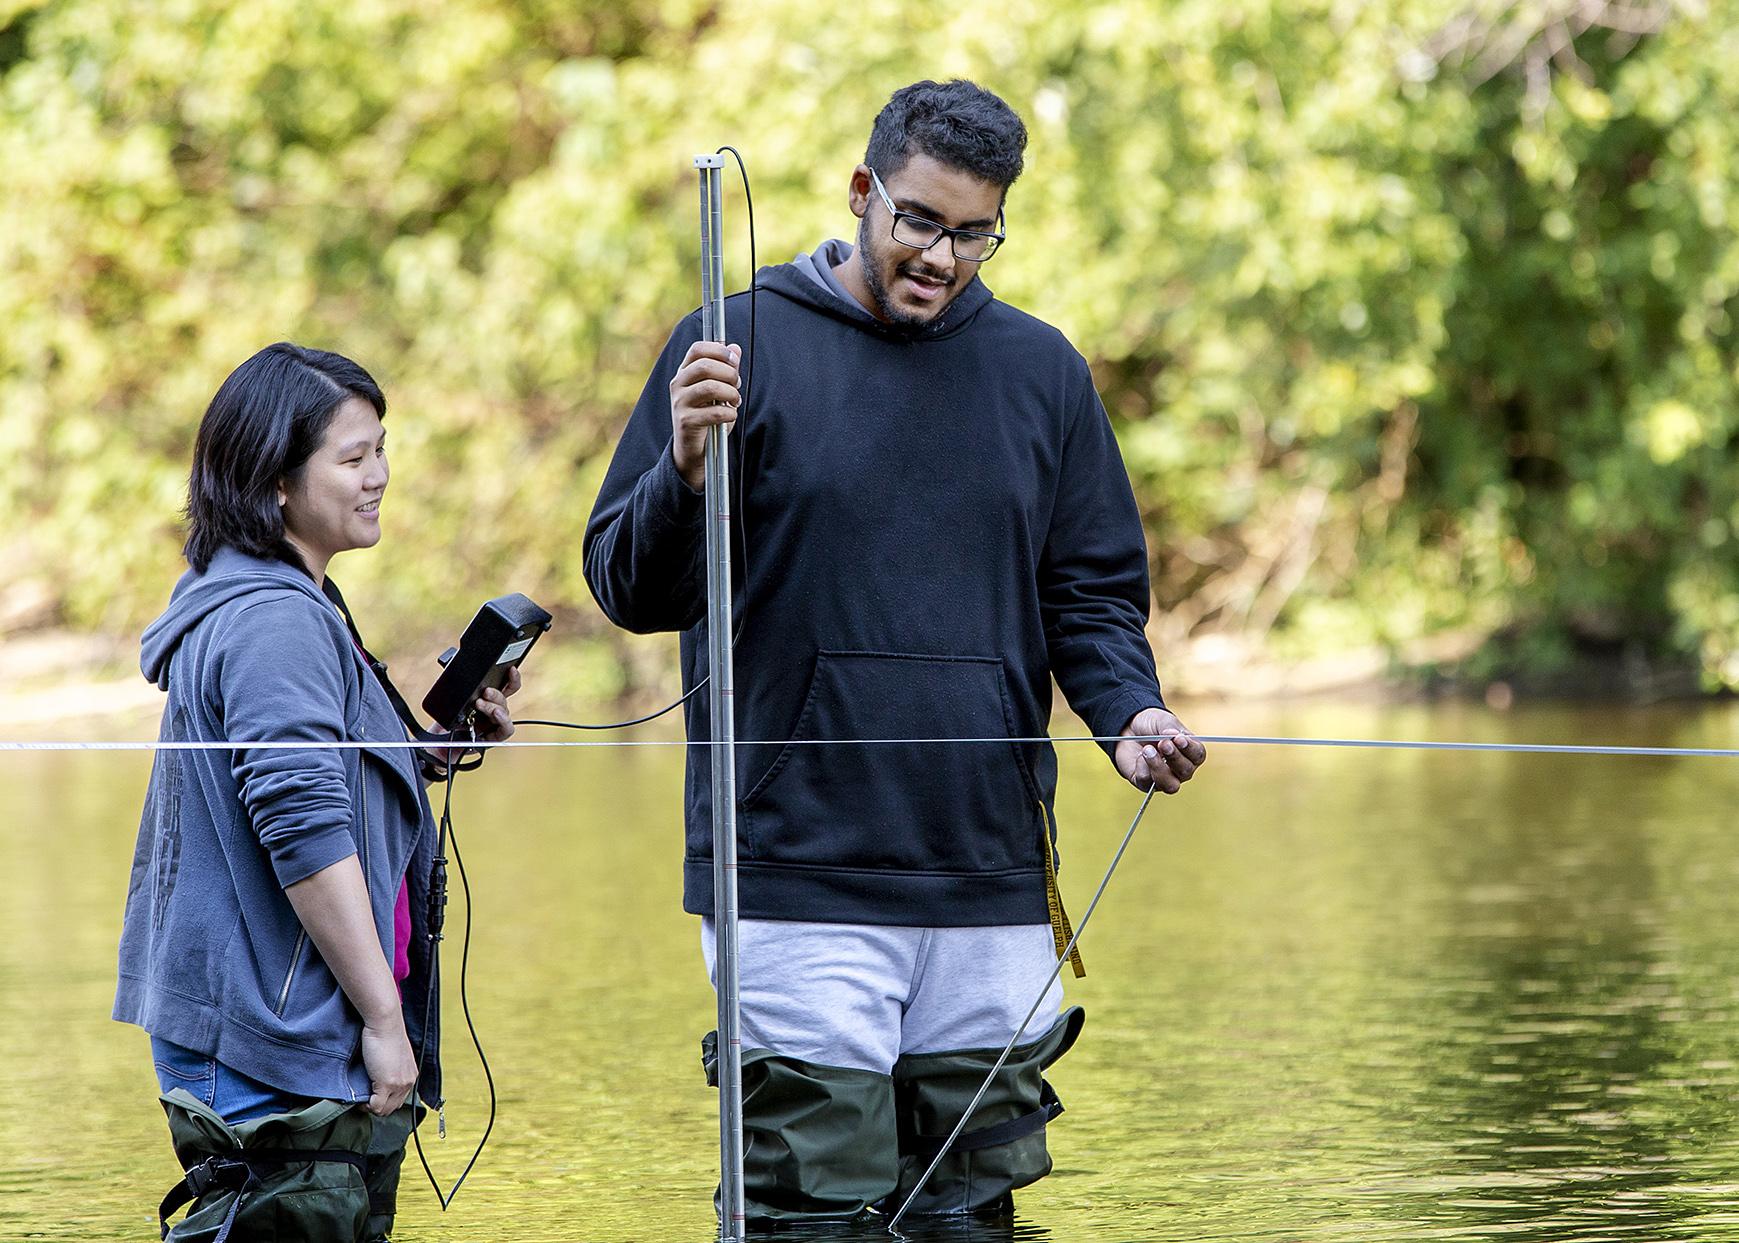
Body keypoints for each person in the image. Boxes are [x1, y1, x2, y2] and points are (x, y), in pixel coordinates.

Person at [584, 79, 1206, 1222]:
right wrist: (680, 466)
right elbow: (627, 587)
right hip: (792, 872)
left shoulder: (1042, 373)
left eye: (975, 232)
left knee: (967, 1211)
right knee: (811, 1207)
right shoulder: (731, 345)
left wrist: (1129, 717)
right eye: (919, 221)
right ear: (863, 191)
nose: (942, 257)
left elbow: (1093, 595)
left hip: (990, 872)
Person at [114, 342, 518, 1241]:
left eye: (382, 448)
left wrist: (426, 752)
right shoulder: (274, 620)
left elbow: (319, 774)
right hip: (274, 1036)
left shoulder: (296, 600)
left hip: (286, 1024)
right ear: (276, 483)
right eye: (352, 457)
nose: (379, 476)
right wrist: (383, 1017)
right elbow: (299, 826)